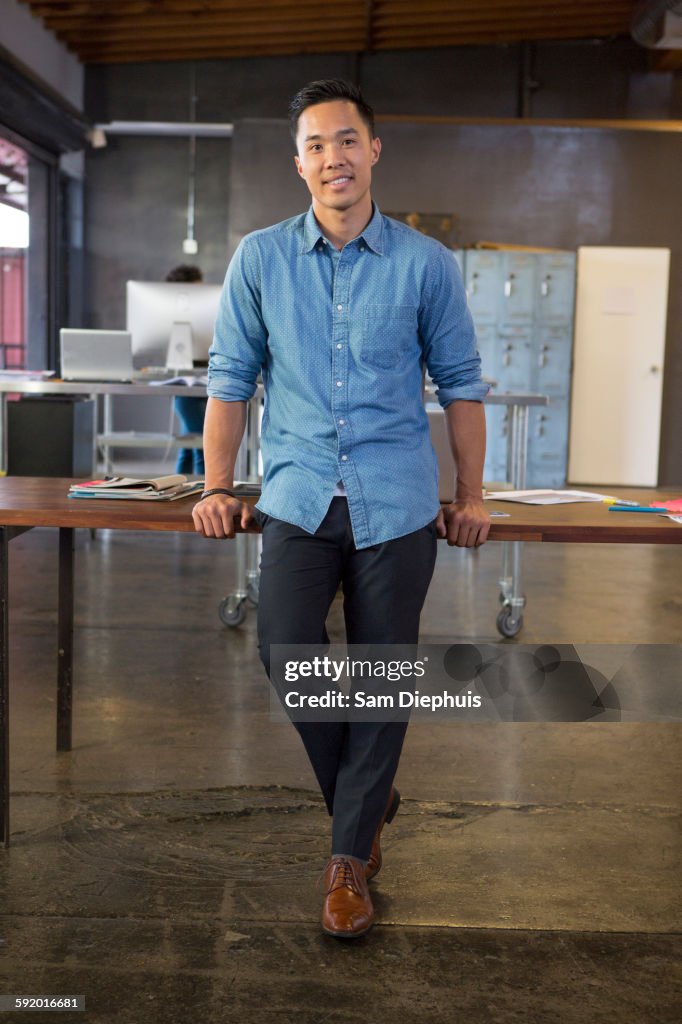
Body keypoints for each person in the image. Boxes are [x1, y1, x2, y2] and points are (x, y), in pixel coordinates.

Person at [192, 79, 490, 938]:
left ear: (374, 151)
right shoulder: (260, 259)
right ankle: (368, 799)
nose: (335, 157)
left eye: (348, 140)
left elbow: (463, 387)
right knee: (289, 656)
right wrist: (217, 486)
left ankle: (347, 862)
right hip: (294, 493)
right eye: (318, 144)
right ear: (300, 163)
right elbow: (229, 382)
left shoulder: (426, 264)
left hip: (395, 504)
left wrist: (470, 496)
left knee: (382, 676)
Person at [165, 264, 207, 476]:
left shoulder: (207, 310)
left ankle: (184, 491)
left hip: (207, 377)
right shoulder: (169, 316)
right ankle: (203, 495)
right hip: (183, 380)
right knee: (200, 444)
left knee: (190, 446)